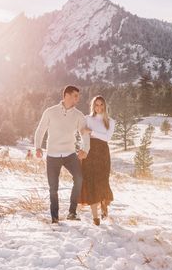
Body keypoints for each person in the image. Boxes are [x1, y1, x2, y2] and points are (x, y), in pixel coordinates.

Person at [34, 85, 90, 224]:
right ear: (66, 95)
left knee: (79, 179)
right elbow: (40, 130)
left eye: (78, 96)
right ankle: (54, 217)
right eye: (75, 95)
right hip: (52, 155)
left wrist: (85, 149)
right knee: (53, 188)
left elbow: (84, 133)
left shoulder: (78, 115)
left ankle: (72, 212)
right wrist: (38, 147)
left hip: (70, 154)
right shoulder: (50, 111)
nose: (78, 98)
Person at [80, 95, 115, 226]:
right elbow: (83, 135)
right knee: (90, 183)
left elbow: (107, 138)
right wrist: (82, 149)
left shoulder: (110, 121)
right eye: (96, 105)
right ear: (93, 106)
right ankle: (95, 218)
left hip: (103, 154)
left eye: (101, 105)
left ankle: (104, 206)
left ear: (105, 106)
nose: (99, 107)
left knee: (103, 182)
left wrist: (92, 132)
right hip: (89, 153)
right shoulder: (87, 119)